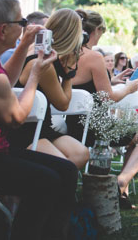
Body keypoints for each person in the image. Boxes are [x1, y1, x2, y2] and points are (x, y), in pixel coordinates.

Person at [0, 0, 77, 239]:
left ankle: (55, 234)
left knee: (67, 170)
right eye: (21, 23)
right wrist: (35, 75)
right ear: (2, 30)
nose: (25, 27)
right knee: (46, 182)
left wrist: (23, 45)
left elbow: (5, 82)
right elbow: (17, 117)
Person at [68, 9, 138, 210]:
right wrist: (128, 88)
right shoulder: (93, 57)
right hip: (93, 127)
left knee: (137, 134)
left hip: (67, 126)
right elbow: (108, 98)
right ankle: (121, 182)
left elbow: (82, 87)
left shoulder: (66, 51)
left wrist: (111, 80)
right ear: (98, 30)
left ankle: (123, 189)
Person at [8, 9, 89, 169]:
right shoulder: (44, 63)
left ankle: (44, 187)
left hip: (42, 127)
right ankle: (43, 187)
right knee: (64, 166)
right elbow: (63, 104)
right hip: (27, 131)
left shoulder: (34, 50)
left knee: (81, 153)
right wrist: (69, 73)